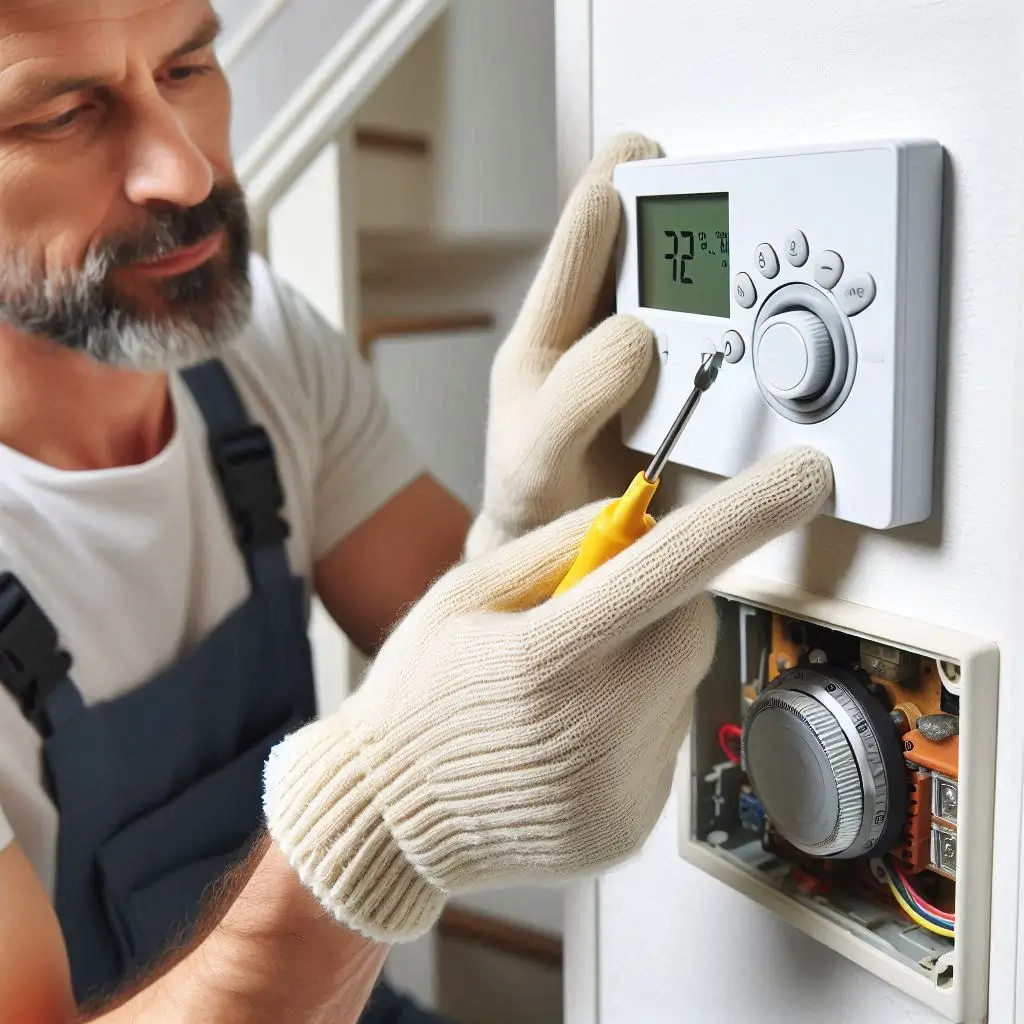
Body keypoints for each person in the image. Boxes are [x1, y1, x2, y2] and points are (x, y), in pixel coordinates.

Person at [0, 0, 835, 1021]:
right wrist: (378, 827)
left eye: (186, 67)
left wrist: (527, 537)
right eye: (64, 114)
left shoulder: (259, 347)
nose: (186, 169)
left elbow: (460, 646)